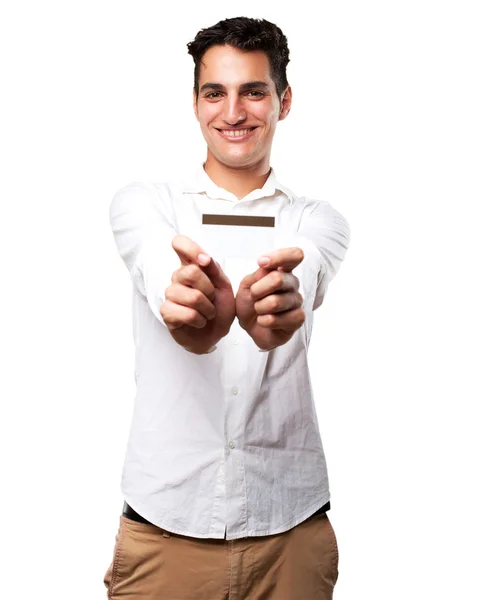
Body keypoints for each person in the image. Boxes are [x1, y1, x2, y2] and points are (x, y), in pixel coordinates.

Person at [103, 16, 350, 600]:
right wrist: (191, 320)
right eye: (215, 92)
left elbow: (305, 274)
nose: (233, 112)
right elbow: (158, 270)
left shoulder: (320, 220)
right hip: (166, 532)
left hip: (289, 530)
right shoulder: (143, 204)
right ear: (195, 103)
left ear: (283, 102)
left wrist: (276, 317)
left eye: (253, 91)